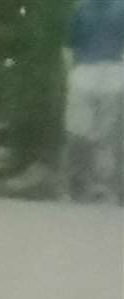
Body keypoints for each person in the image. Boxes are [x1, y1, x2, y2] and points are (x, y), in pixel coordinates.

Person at [64, 0, 124, 202]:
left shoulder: (82, 8)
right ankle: (93, 186)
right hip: (101, 72)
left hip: (97, 72)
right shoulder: (83, 8)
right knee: (94, 134)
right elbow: (69, 46)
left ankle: (90, 186)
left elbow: (69, 46)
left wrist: (70, 72)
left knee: (90, 133)